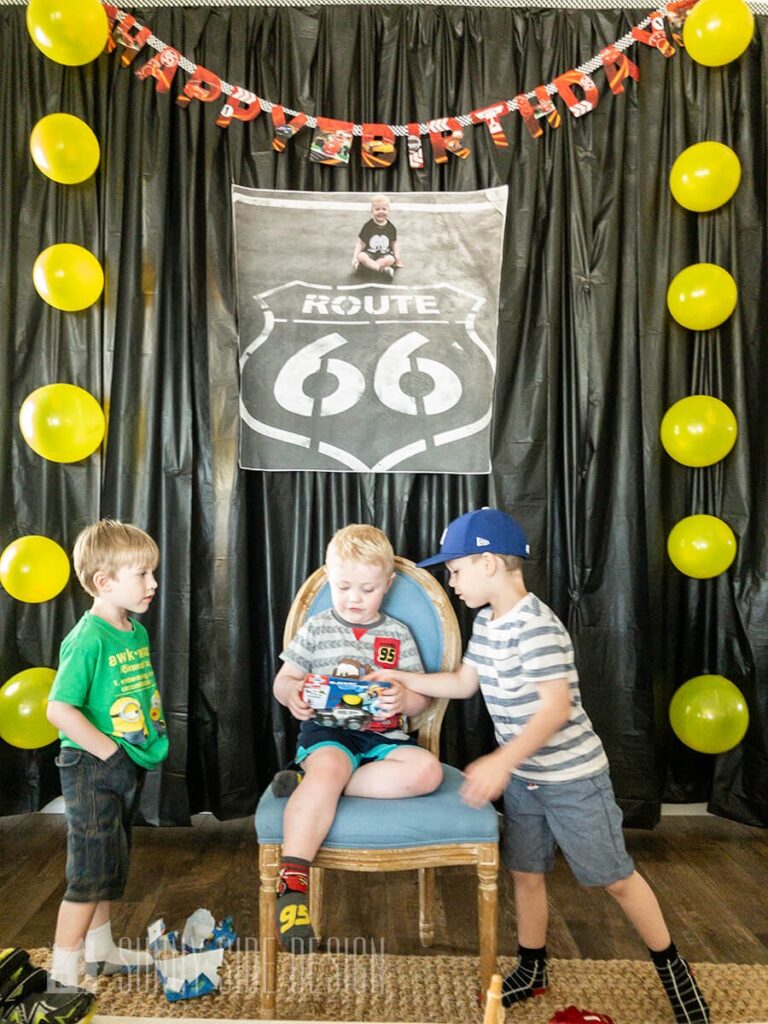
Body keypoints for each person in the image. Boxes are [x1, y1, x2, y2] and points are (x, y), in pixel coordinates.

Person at [369, 508, 710, 1024]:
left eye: (456, 570)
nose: (452, 581)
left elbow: (555, 709)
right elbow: (464, 683)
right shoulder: (487, 622)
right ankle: (533, 967)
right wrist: (404, 683)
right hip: (526, 780)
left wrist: (501, 760)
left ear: (488, 562)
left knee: (614, 879)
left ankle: (674, 970)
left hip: (573, 779)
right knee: (526, 872)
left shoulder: (537, 627)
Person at [271, 523, 443, 953]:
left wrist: (405, 699)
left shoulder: (398, 634)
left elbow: (422, 698)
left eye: (367, 589)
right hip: (329, 733)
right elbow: (283, 679)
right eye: (344, 586)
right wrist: (292, 693)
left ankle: (310, 784)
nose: (354, 598)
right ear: (330, 578)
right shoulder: (316, 628)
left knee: (427, 772)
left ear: (387, 584)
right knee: (329, 766)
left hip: (383, 739)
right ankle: (292, 885)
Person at [46, 519, 169, 989]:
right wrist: (107, 753)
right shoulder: (88, 637)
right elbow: (59, 708)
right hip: (91, 769)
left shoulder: (133, 630)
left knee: (110, 863)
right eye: (142, 574)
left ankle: (101, 953)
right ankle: (62, 977)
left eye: (152, 573)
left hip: (122, 765)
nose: (153, 583)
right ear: (104, 582)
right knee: (88, 872)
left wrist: (127, 757)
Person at [352, 194, 403, 278]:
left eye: (384, 209)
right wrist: (355, 257)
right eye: (377, 209)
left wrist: (397, 258)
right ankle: (382, 270)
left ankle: (367, 268)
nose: (381, 212)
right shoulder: (368, 226)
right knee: (361, 256)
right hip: (369, 253)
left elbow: (394, 243)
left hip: (384, 254)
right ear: (372, 210)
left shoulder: (391, 227)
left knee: (391, 259)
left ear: (388, 210)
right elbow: (360, 243)